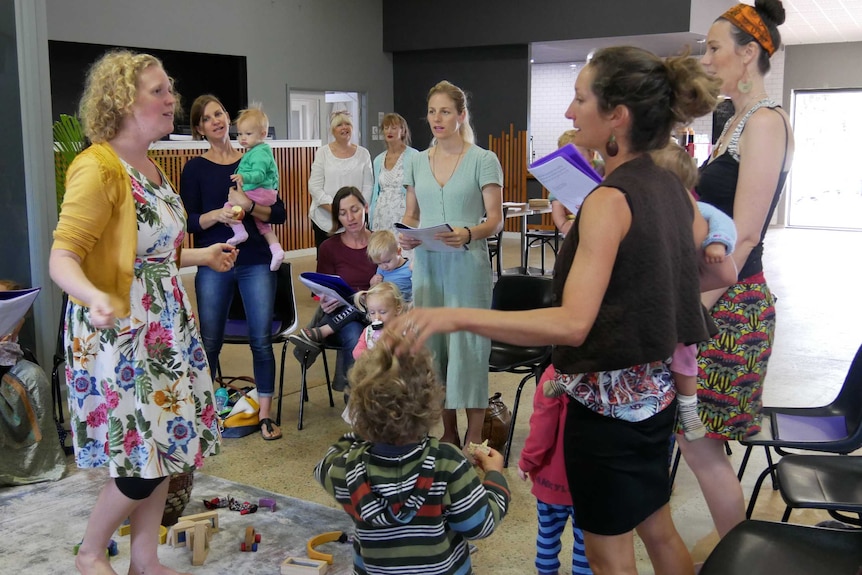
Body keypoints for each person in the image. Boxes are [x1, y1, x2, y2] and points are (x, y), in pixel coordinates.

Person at [392, 46, 721, 574]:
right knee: (658, 529)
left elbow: (572, 322)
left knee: (610, 552)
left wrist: (456, 316)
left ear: (618, 116)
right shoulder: (669, 188)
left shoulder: (610, 201)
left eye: (579, 98)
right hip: (653, 398)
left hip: (607, 408)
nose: (569, 113)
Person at [49, 51, 235, 575]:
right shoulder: (97, 167)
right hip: (120, 332)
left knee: (167, 449)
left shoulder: (151, 166)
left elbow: (154, 249)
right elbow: (62, 256)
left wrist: (202, 255)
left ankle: (144, 559)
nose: (171, 98)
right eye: (158, 91)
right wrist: (94, 297)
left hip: (163, 323)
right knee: (139, 457)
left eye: (168, 89)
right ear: (122, 102)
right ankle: (91, 553)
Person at [677, 0, 795, 539]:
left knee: (700, 443)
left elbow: (744, 236)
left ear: (748, 55)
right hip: (713, 301)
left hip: (731, 309)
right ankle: (737, 552)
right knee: (697, 442)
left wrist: (694, 311)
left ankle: (738, 555)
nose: (707, 58)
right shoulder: (733, 123)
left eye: (715, 47)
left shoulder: (765, 123)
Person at [314, 339, 510, 575]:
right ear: (431, 406)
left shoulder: (346, 466)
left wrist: (365, 431)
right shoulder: (447, 463)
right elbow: (480, 524)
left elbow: (324, 463)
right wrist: (494, 476)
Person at [399, 80, 504, 452]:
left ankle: (475, 436)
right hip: (428, 266)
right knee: (435, 349)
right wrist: (406, 235)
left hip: (467, 266)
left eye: (445, 111)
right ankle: (448, 432)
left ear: (461, 116)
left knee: (470, 349)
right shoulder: (415, 161)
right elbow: (411, 215)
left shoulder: (483, 159)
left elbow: (495, 220)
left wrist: (468, 232)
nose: (437, 118)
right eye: (432, 111)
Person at [180, 94, 287, 441]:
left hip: (255, 259)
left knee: (260, 340)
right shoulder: (195, 168)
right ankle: (204, 414)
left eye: (220, 113)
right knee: (209, 341)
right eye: (208, 118)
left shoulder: (255, 157)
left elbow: (280, 212)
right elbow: (188, 222)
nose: (217, 121)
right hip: (214, 260)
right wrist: (218, 215)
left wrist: (247, 207)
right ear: (199, 128)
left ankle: (266, 416)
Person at [289, 186, 377, 394]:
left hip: (375, 314)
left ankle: (358, 397)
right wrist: (325, 300)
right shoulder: (329, 247)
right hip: (340, 319)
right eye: (343, 213)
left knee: (365, 327)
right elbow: (324, 289)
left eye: (354, 209)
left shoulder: (379, 242)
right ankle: (354, 398)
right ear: (337, 217)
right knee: (356, 333)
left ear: (365, 207)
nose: (350, 217)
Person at [518, 364, 593, 575]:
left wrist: (526, 461)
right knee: (585, 542)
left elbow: (541, 430)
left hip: (549, 482)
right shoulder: (604, 374)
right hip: (588, 484)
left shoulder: (553, 375)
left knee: (547, 537)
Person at [0, 280, 66, 487]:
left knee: (34, 376)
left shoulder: (14, 322)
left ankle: (40, 463)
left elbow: (10, 352)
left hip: (7, 363)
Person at [224, 104, 285, 271]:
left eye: (248, 134)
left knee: (229, 206)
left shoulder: (259, 153)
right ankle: (276, 250)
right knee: (263, 224)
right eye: (240, 134)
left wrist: (244, 177)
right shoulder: (256, 151)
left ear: (263, 134)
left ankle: (240, 233)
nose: (242, 138)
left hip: (261, 191)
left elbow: (259, 175)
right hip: (266, 193)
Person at [307, 111, 373, 250]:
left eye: (347, 124)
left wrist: (355, 211)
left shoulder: (363, 153)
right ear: (332, 130)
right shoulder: (322, 153)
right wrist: (338, 209)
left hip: (356, 219)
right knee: (328, 261)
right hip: (326, 220)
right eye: (339, 125)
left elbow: (368, 186)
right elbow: (314, 186)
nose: (344, 127)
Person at [368, 113, 418, 234]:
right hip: (381, 214)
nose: (389, 131)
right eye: (386, 128)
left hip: (404, 213)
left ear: (403, 131)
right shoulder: (378, 159)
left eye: (394, 128)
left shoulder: (414, 156)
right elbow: (376, 191)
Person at [549, 130, 603, 237]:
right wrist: (564, 226)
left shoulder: (602, 168)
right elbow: (557, 207)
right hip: (576, 222)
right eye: (566, 158)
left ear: (591, 155)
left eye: (577, 157)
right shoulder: (562, 177)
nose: (572, 162)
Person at [351, 281, 407, 360]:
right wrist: (368, 354)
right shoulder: (368, 331)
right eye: (372, 312)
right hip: (374, 370)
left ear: (397, 309)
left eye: (383, 312)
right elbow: (356, 352)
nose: (377, 317)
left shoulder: (404, 330)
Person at [367, 230, 412, 303]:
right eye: (379, 263)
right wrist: (373, 284)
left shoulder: (409, 269)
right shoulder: (381, 270)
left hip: (404, 309)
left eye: (387, 261)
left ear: (398, 252)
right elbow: (376, 293)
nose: (384, 267)